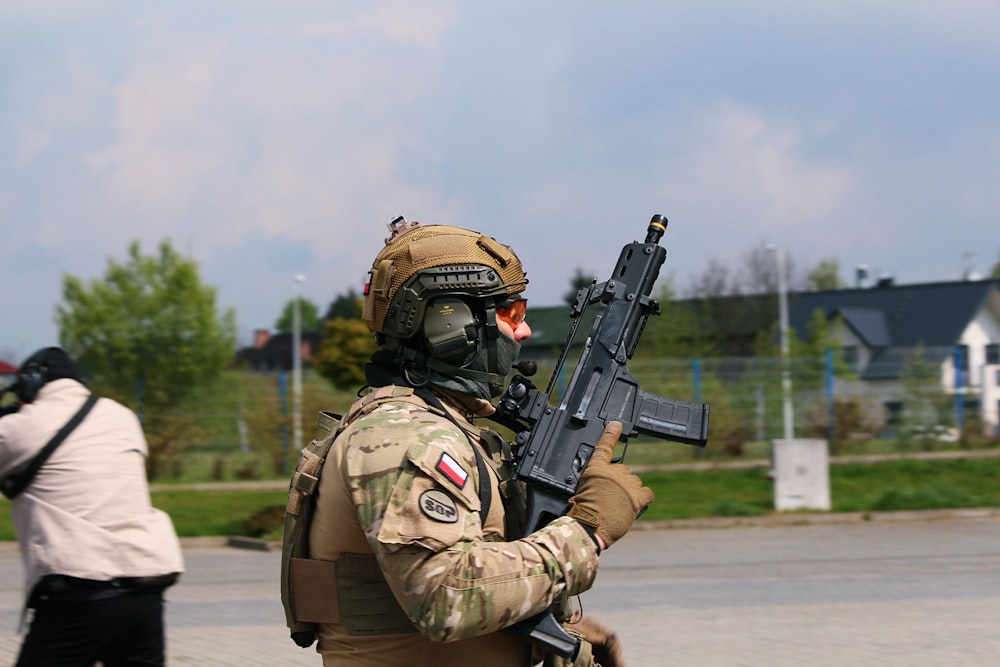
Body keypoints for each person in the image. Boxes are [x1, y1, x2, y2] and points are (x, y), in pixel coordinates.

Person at [282, 217, 653, 667]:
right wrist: (587, 533)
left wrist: (551, 636)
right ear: (451, 326)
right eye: (512, 314)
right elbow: (444, 596)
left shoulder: (436, 425)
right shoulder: (406, 437)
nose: (524, 332)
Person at [0, 346, 184, 667]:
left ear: (31, 382)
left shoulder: (21, 427)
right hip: (144, 587)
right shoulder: (122, 416)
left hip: (79, 593)